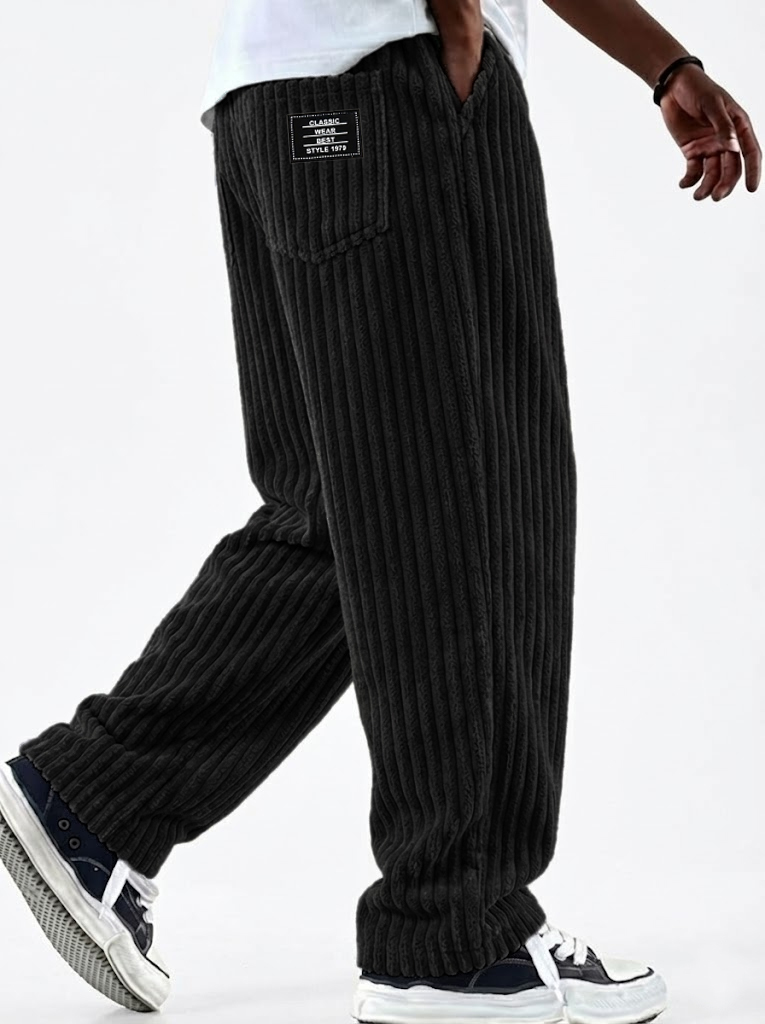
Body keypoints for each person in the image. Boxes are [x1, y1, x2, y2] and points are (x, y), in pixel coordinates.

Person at [0, 0, 760, 1021]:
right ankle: (455, 933)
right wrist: (455, 30)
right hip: (396, 80)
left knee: (351, 508)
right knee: (474, 499)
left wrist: (663, 63)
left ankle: (94, 797)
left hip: (276, 95)